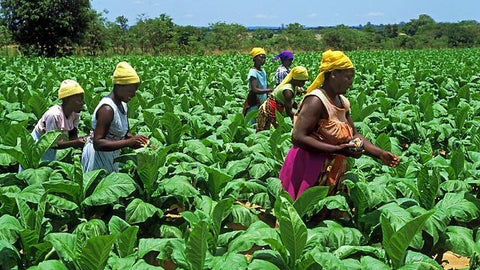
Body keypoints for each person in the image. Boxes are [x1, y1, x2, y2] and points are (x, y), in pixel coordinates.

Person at [279, 50, 400, 201]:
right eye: (348, 77)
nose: (351, 82)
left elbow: (354, 135)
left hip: (332, 171)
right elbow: (298, 137)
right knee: (303, 215)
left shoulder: (342, 101)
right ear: (334, 74)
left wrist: (380, 154)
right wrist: (337, 150)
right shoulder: (316, 101)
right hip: (308, 170)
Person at [82, 61, 149, 173]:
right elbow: (98, 143)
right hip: (97, 158)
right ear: (118, 86)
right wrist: (129, 142)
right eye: (130, 91)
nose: (133, 95)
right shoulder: (107, 109)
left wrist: (139, 142)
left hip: (111, 156)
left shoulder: (123, 104)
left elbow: (125, 134)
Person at [20, 79, 86, 171]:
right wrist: (76, 142)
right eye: (79, 100)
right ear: (67, 100)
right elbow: (51, 143)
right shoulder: (54, 115)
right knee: (32, 170)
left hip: (53, 147)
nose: (82, 103)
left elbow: (73, 136)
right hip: (38, 143)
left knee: (47, 171)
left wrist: (84, 142)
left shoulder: (75, 114)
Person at [256, 66, 308, 131]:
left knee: (274, 130)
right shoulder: (288, 91)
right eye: (302, 81)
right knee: (267, 131)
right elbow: (289, 112)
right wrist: (301, 120)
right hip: (270, 110)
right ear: (295, 79)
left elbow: (292, 103)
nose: (304, 83)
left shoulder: (294, 86)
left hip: (276, 108)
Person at [242, 47, 272, 121]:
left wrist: (269, 93)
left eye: (265, 58)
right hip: (255, 100)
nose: (263, 60)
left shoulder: (263, 71)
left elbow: (265, 84)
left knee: (261, 120)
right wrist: (268, 90)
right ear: (254, 58)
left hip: (263, 98)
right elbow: (254, 89)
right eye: (261, 57)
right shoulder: (253, 72)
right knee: (253, 120)